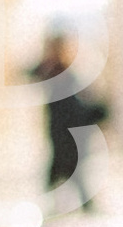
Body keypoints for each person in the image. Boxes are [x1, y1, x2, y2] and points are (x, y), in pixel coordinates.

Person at [30, 31, 106, 200]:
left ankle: (61, 203)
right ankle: (54, 203)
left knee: (68, 171)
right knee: (64, 170)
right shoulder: (54, 71)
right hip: (61, 132)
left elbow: (78, 105)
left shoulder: (69, 75)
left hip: (68, 132)